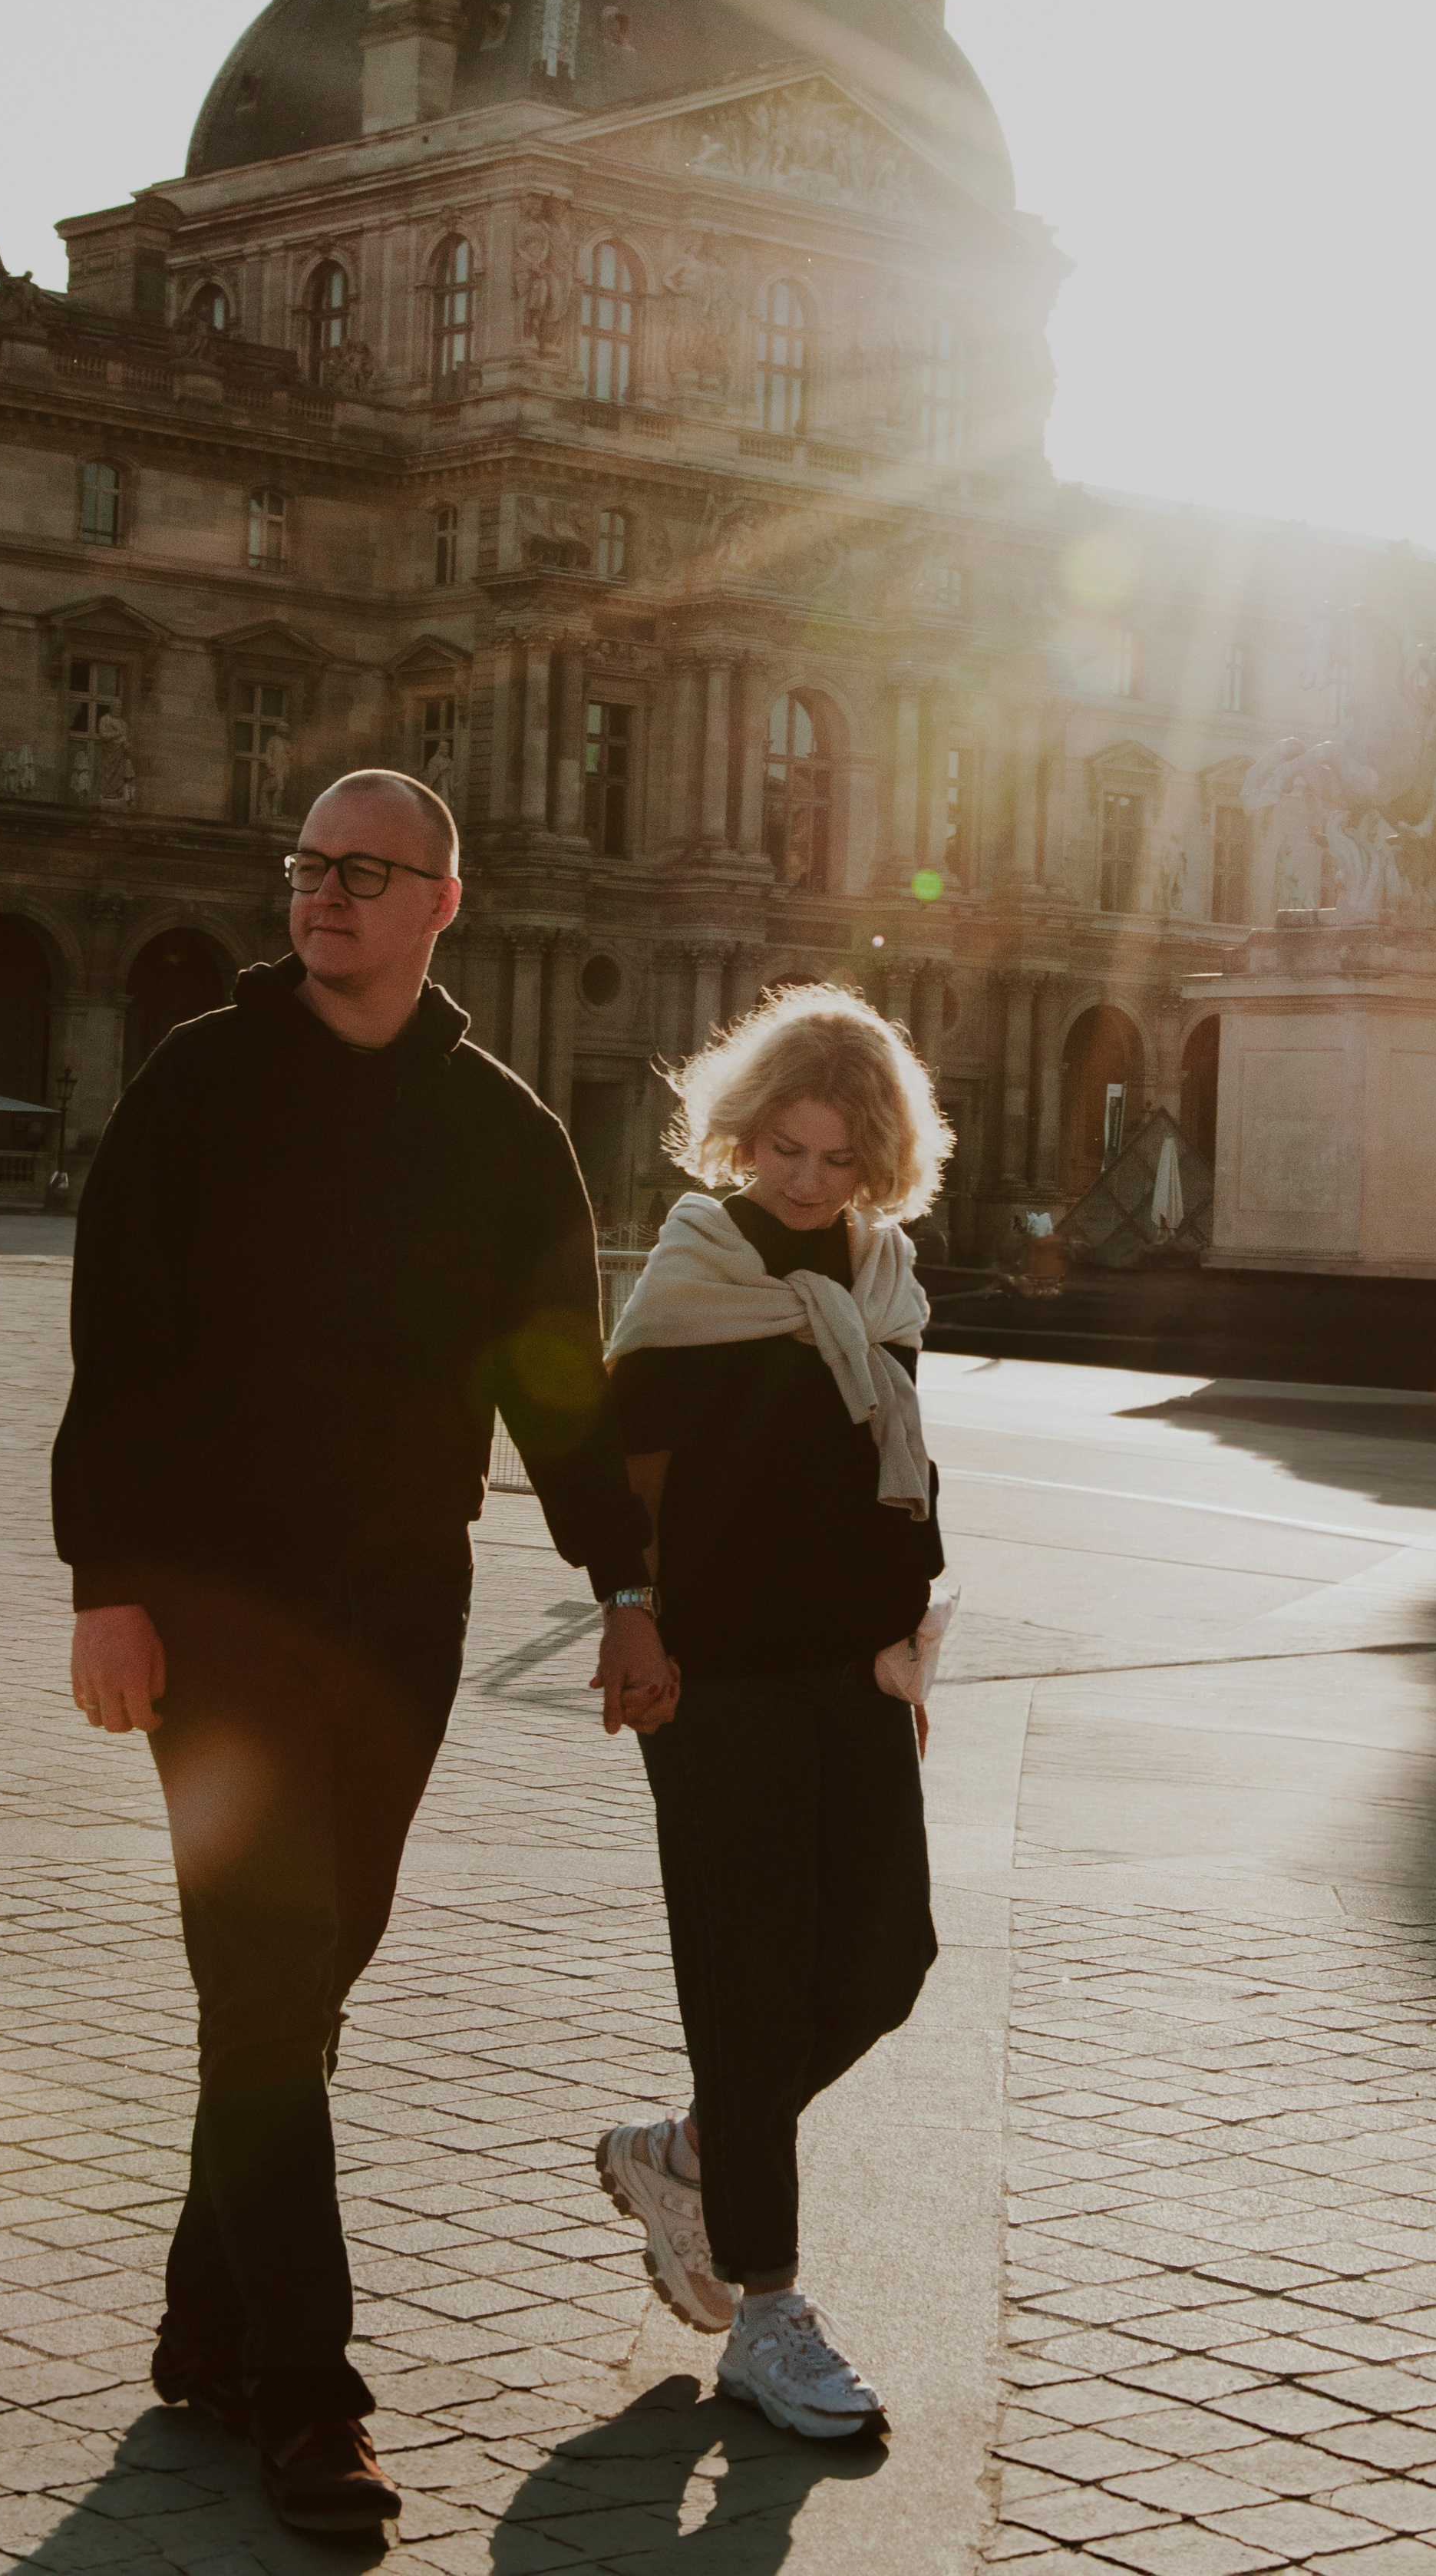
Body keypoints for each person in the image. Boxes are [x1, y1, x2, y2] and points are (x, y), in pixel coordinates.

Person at [52, 771, 653, 2538]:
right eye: (309, 865)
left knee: (305, 1986)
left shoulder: (500, 1128)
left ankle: (202, 2319)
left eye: (364, 871)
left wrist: (625, 1582)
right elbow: (116, 1341)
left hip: (403, 1605)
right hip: (213, 1600)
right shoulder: (196, 1082)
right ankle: (310, 2399)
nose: (324, 893)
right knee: (262, 1974)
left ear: (438, 904)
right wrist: (105, 1579)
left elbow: (558, 1378)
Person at [590, 983, 952, 2442]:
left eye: (837, 1159)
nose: (807, 1182)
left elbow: (907, 1474)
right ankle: (769, 2306)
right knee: (748, 1978)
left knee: (887, 1955)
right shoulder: (695, 1269)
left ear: (878, 1163)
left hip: (852, 1669)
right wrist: (628, 1612)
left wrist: (907, 1646)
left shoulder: (885, 1282)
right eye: (785, 1151)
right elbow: (624, 1472)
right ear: (741, 1139)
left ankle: (688, 2150)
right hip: (718, 1670)